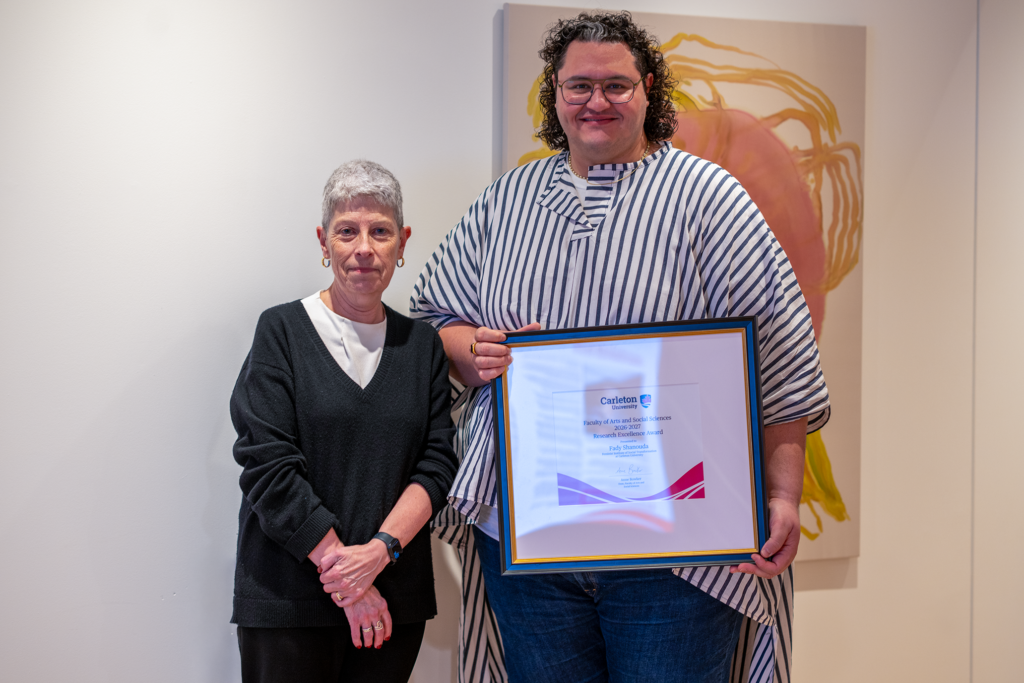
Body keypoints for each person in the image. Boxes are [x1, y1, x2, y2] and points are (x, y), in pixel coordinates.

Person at [411, 11, 828, 683]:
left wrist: (782, 494)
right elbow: (433, 318)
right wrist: (473, 347)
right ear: (555, 94)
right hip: (531, 538)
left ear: (648, 90)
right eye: (578, 85)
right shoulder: (509, 200)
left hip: (675, 548)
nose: (595, 102)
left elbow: (776, 353)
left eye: (615, 85)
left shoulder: (709, 197)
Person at [229, 159, 459, 683]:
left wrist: (379, 554)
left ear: (402, 242)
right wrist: (347, 578)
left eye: (380, 232)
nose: (363, 249)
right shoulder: (281, 332)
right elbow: (267, 465)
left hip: (393, 604)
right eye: (347, 231)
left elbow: (438, 463)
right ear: (323, 239)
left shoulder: (421, 346)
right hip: (288, 601)